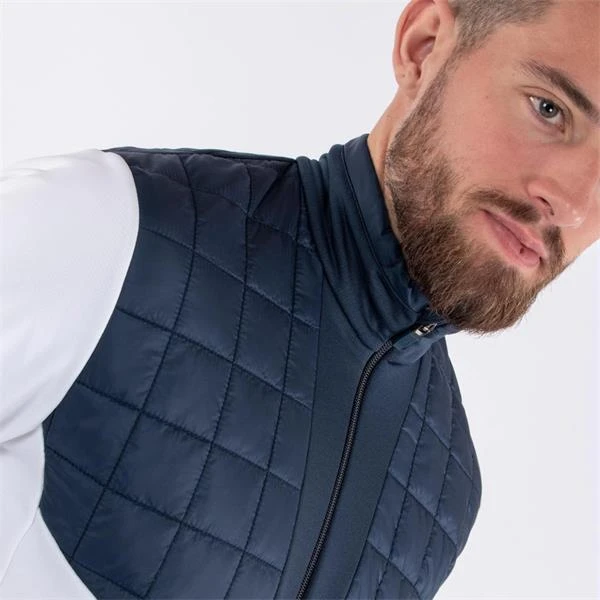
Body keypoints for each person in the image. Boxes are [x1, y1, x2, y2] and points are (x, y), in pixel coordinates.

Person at [1, 0, 598, 598]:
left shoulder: (445, 489)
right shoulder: (108, 230)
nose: (572, 205)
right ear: (424, 48)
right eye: (549, 109)